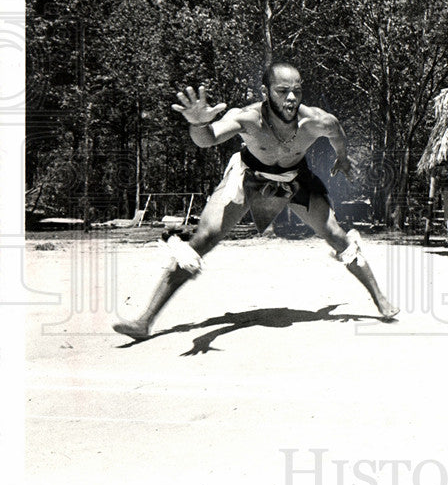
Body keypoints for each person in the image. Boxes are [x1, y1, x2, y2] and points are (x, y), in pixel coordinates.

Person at [113, 64, 397, 339]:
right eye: (282, 90)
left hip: (295, 178)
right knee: (203, 238)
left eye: (297, 91)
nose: (291, 98)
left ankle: (380, 299)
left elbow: (338, 135)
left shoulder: (317, 121)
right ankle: (144, 321)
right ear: (265, 92)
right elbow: (207, 139)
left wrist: (343, 158)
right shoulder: (247, 118)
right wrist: (198, 123)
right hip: (249, 177)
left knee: (336, 235)